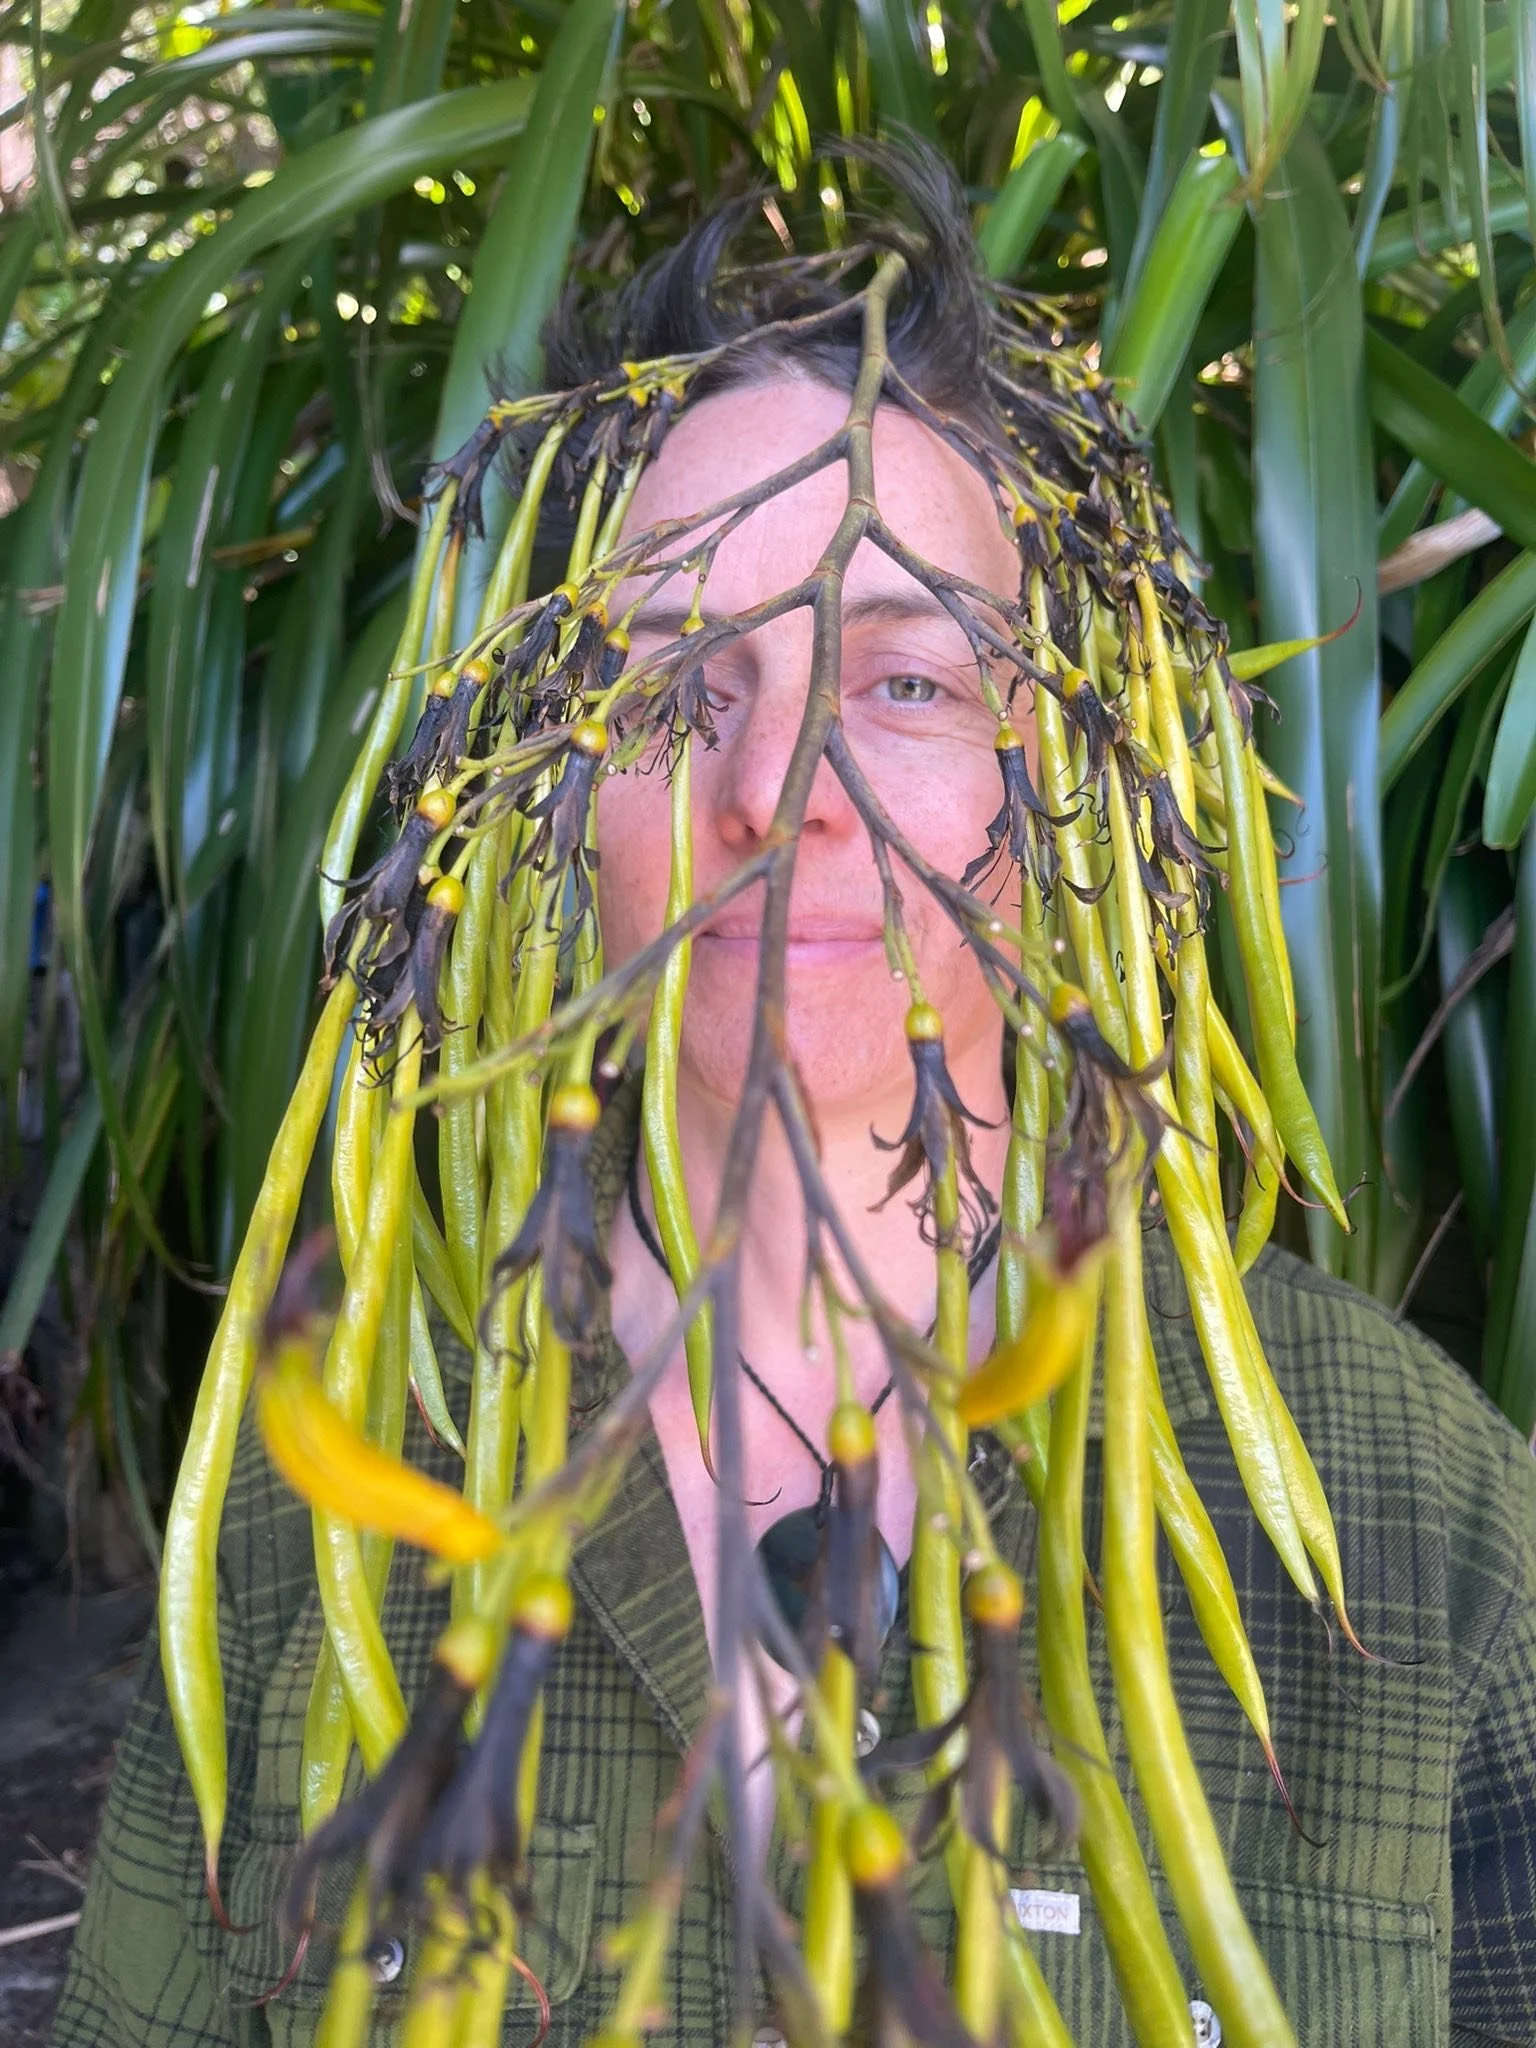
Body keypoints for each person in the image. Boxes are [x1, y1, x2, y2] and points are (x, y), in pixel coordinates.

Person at [55, 157, 1536, 2048]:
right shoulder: (317, 1493)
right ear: (551, 794)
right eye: (678, 681)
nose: (776, 789)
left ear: (1072, 777)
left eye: (906, 679)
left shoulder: (1415, 1506)